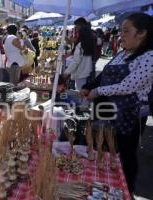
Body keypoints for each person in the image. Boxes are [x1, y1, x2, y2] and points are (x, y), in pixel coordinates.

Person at [81, 13, 153, 194]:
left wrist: (97, 92)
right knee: (101, 152)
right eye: (121, 31)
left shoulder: (150, 57)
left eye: (126, 31)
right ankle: (100, 190)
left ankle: (125, 192)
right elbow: (103, 76)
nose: (121, 35)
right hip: (104, 112)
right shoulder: (122, 54)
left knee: (123, 157)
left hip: (127, 117)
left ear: (143, 33)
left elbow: (127, 86)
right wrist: (88, 87)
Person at [63, 26, 95, 90]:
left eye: (77, 32)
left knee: (80, 92)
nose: (76, 34)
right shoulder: (89, 43)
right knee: (84, 91)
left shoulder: (81, 45)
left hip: (81, 73)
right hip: (87, 72)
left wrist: (66, 72)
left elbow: (76, 62)